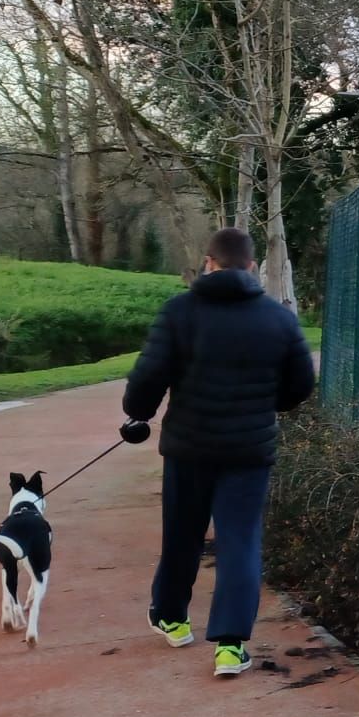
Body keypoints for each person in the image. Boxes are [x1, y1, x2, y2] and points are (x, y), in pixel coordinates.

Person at [123, 227, 315, 677]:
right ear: (251, 266)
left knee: (182, 536)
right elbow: (300, 386)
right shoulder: (279, 319)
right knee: (240, 542)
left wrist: (139, 413)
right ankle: (230, 647)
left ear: (208, 262)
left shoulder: (178, 311)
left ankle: (172, 618)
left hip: (189, 448)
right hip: (248, 451)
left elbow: (148, 376)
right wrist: (268, 405)